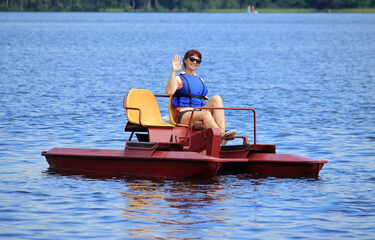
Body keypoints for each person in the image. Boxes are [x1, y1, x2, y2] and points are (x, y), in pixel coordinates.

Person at [166, 49, 236, 145]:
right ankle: (222, 135)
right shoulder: (179, 79)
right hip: (185, 115)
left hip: (199, 111)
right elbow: (169, 91)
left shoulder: (200, 80)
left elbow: (205, 100)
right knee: (205, 114)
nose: (194, 62)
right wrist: (174, 71)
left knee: (216, 98)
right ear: (185, 60)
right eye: (192, 59)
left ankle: (222, 132)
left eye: (198, 61)